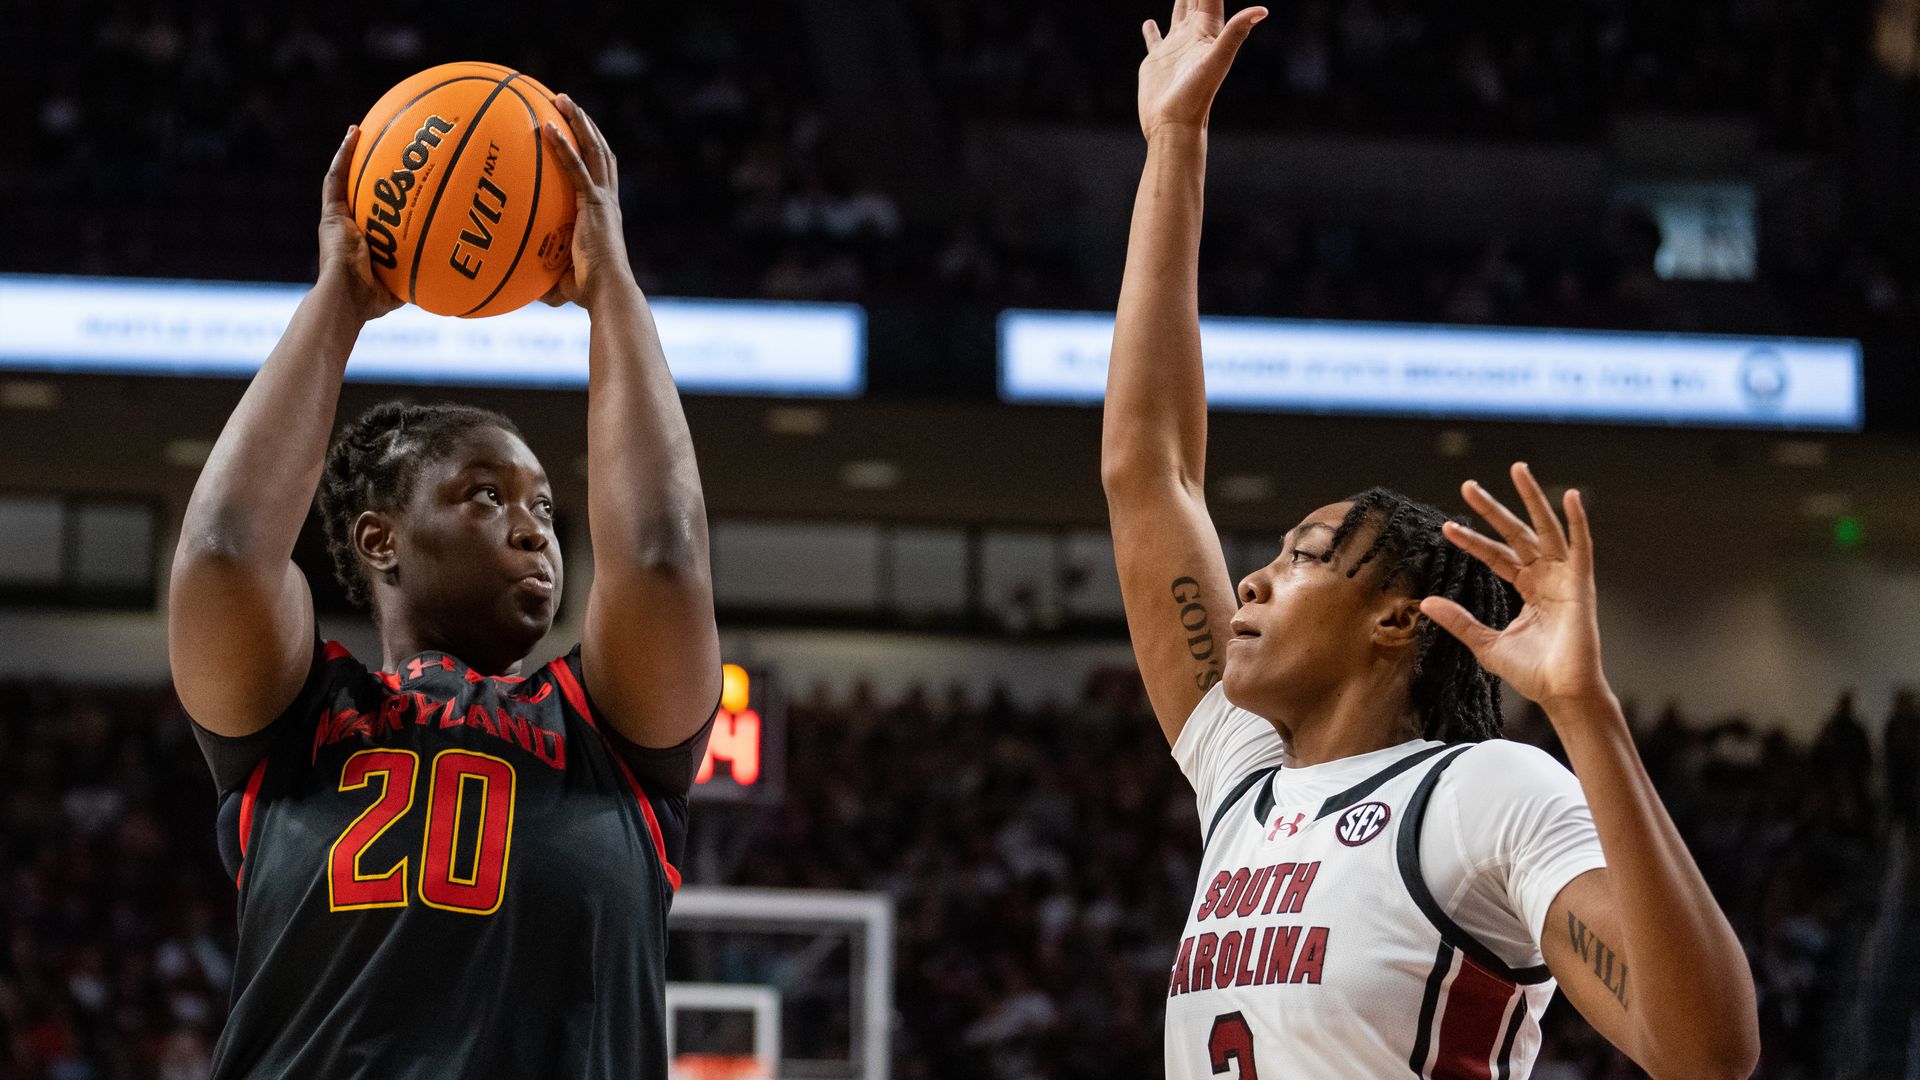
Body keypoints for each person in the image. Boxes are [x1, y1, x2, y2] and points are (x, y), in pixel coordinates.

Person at [1098, 3, 1761, 1076]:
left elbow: (1706, 1055)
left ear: (1398, 619)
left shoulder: (1481, 794)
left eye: (1306, 556)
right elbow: (1149, 472)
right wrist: (1175, 143)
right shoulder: (1242, 777)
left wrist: (1582, 712)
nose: (1254, 578)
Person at [167, 95, 721, 1078]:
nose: (531, 526)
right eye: (484, 494)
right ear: (379, 538)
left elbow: (664, 556)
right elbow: (221, 553)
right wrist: (338, 299)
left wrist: (613, 290)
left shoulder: (609, 733)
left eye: (546, 508)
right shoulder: (294, 723)